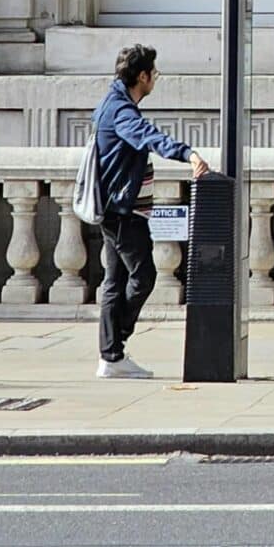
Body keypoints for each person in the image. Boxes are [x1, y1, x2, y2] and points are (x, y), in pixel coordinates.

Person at [91, 44, 208, 380]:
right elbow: (147, 136)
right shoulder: (122, 112)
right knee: (143, 277)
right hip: (124, 212)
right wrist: (188, 154)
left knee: (115, 282)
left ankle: (111, 356)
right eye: (153, 73)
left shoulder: (112, 104)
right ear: (141, 76)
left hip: (115, 208)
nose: (155, 78)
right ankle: (115, 345)